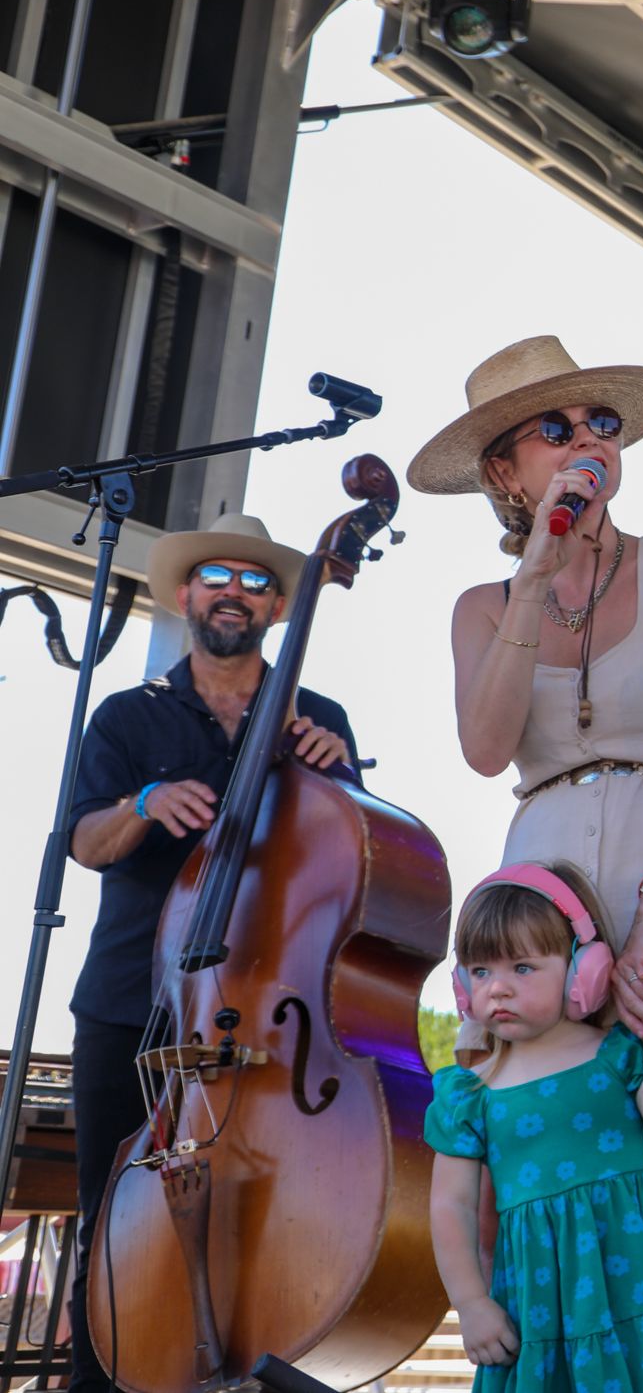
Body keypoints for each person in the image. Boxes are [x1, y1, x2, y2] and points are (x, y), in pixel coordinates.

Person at [408, 335, 643, 1389]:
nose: (587, 442)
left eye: (601, 423)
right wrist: (535, 578)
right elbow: (487, 749)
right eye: (556, 428)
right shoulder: (484, 607)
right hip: (541, 900)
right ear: (505, 471)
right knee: (529, 1201)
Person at [64, 512, 358, 1392]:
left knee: (262, 1221)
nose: (235, 591)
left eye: (256, 580)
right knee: (109, 1218)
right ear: (187, 595)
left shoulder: (320, 717)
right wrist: (143, 803)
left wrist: (339, 778)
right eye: (217, 576)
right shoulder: (128, 716)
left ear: (277, 608)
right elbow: (83, 843)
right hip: (134, 1005)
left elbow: (348, 860)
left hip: (266, 1016)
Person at [427, 862, 643, 1388]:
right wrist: (470, 1304)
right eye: (481, 971)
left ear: (585, 969)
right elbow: (452, 1206)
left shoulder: (614, 1053)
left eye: (523, 967)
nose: (498, 989)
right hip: (545, 1306)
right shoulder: (468, 1094)